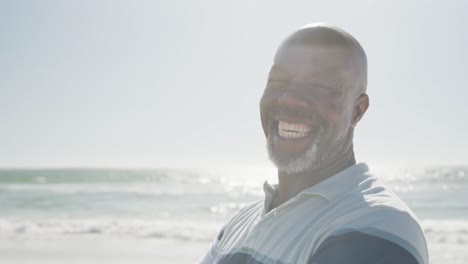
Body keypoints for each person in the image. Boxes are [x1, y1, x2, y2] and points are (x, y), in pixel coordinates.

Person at [200, 23, 428, 264]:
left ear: (357, 111)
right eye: (277, 81)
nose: (289, 99)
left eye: (319, 86)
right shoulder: (240, 222)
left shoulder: (378, 226)